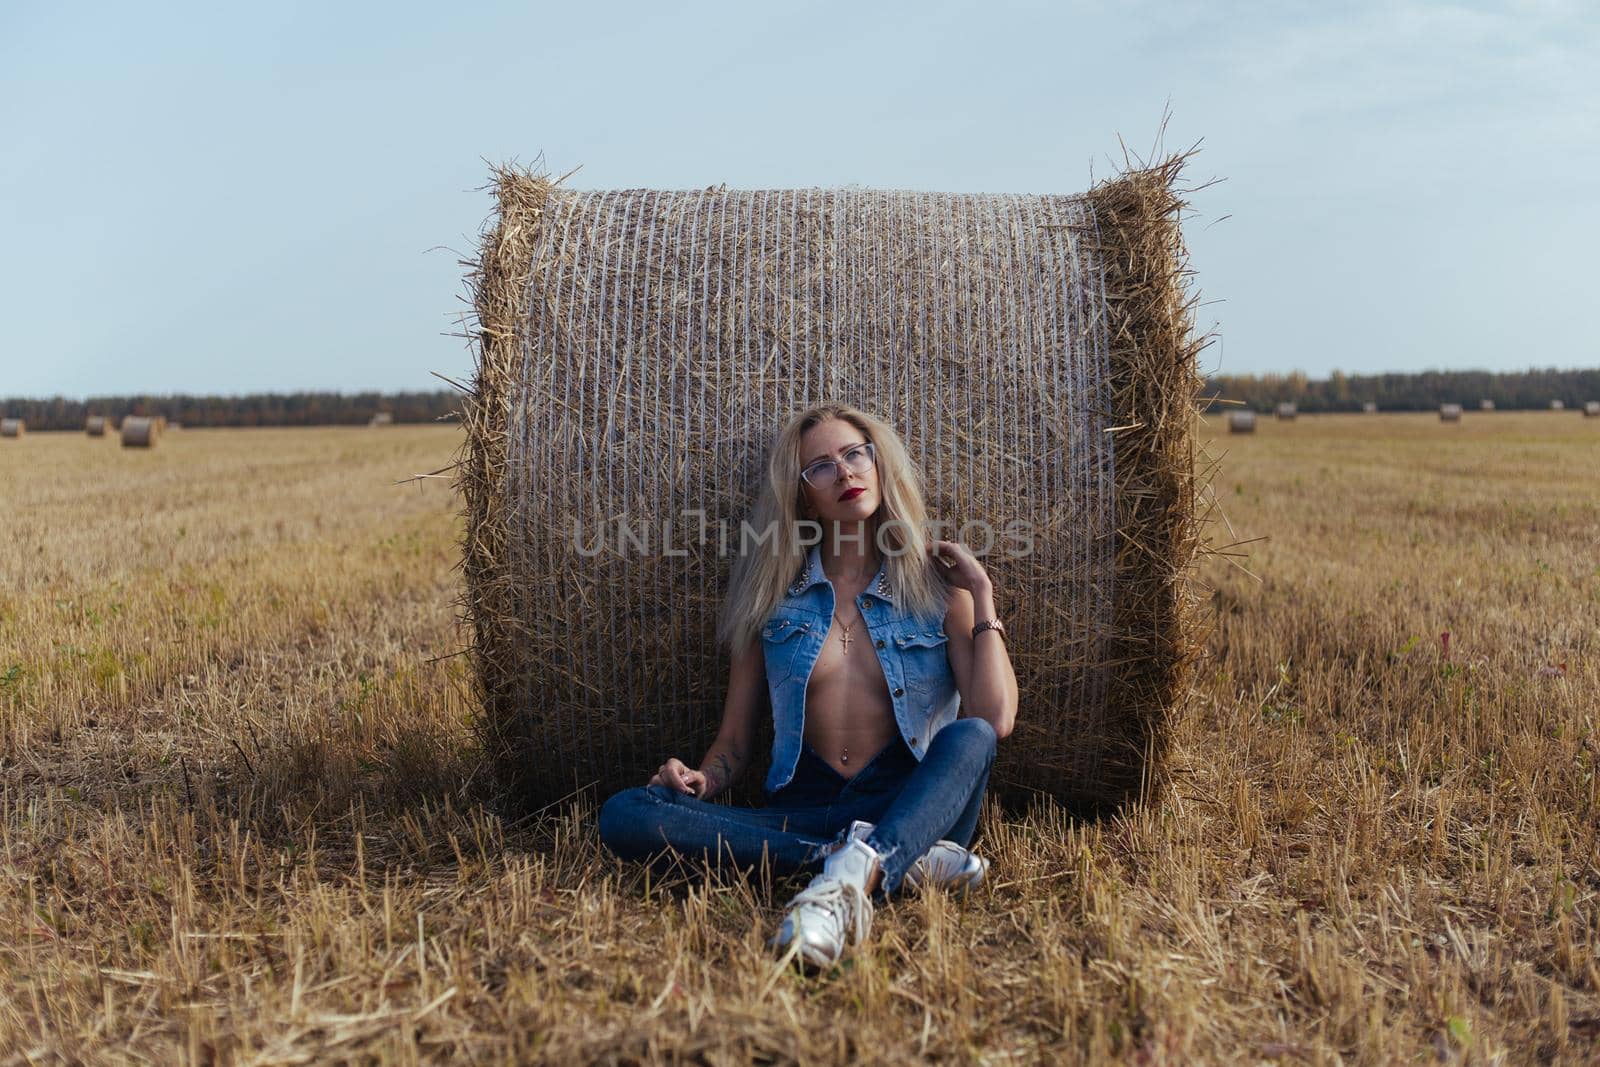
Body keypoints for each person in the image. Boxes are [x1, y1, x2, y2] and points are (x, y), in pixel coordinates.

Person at [598, 402, 1019, 969]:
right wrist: (699, 780)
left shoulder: (940, 593)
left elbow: (993, 720)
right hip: (802, 809)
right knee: (627, 812)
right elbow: (735, 746)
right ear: (802, 496)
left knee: (969, 736)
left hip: (908, 800)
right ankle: (867, 862)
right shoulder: (770, 602)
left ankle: (862, 861)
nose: (844, 472)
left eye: (854, 454)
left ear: (878, 464)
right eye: (820, 467)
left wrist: (983, 596)